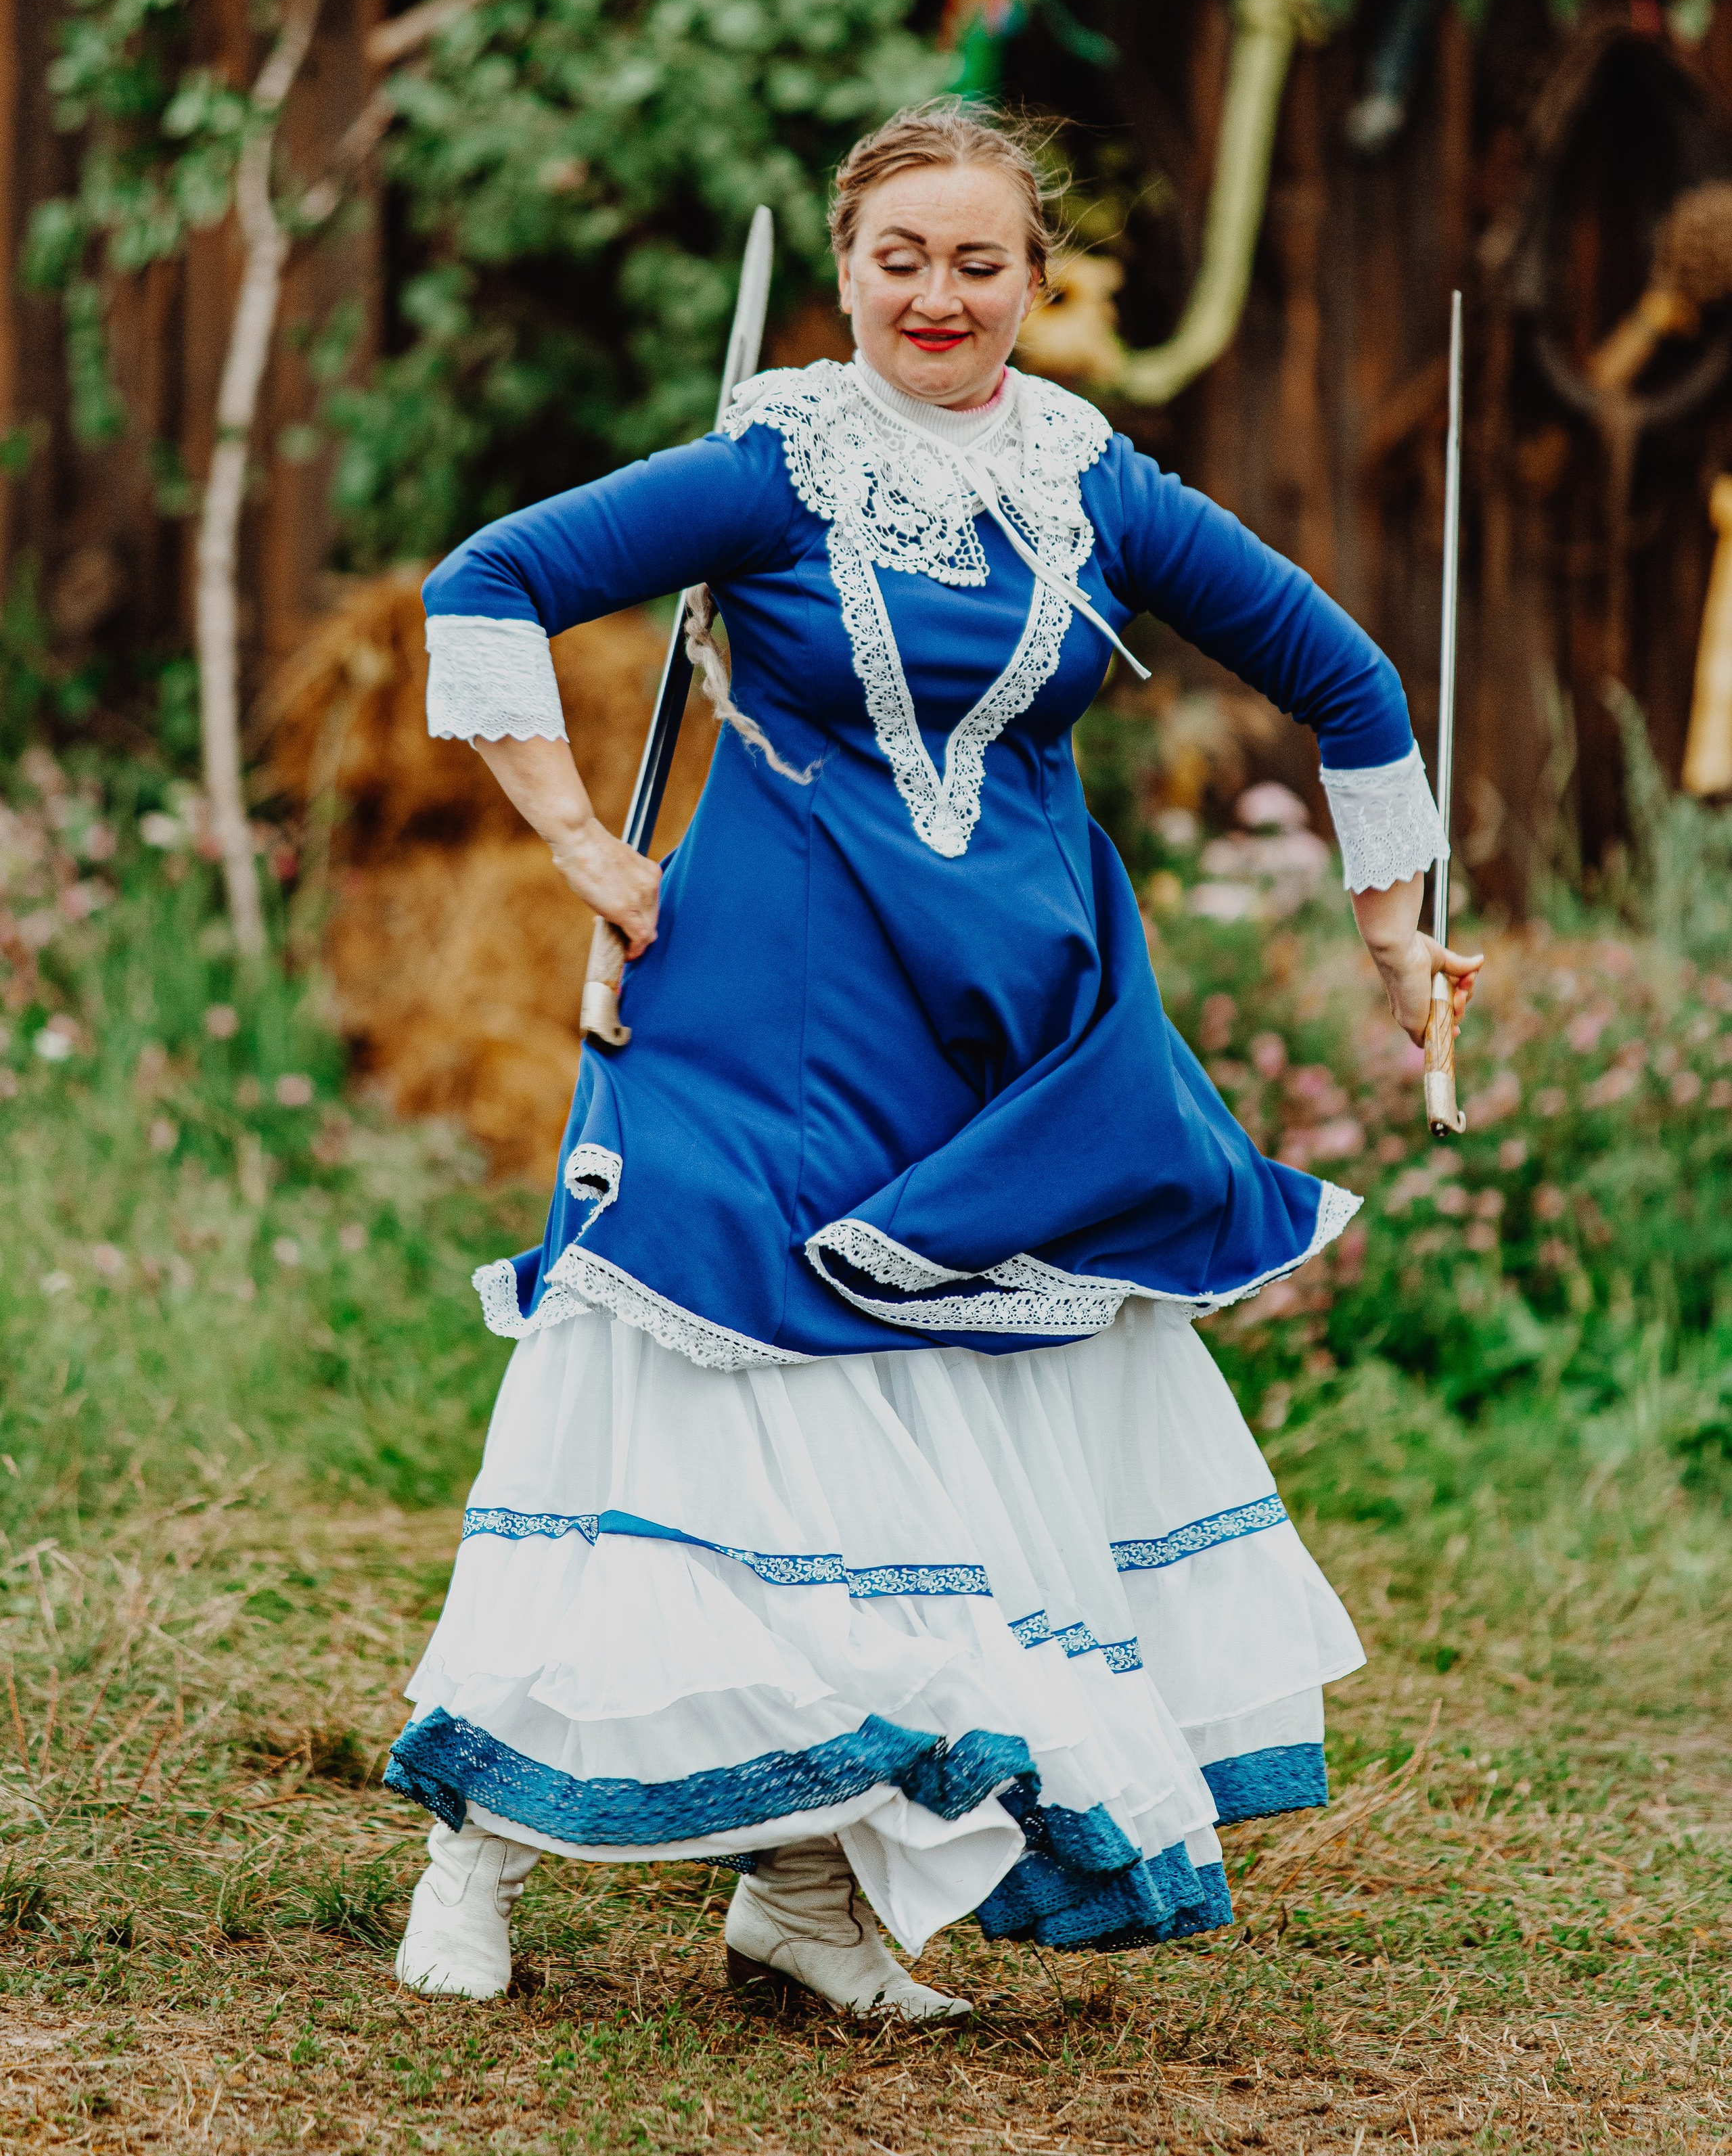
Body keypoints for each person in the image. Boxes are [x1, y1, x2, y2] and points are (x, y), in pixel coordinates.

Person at [386, 101, 1480, 2013]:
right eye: (902, 257)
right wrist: (582, 843)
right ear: (846, 273)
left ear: (1038, 282)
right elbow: (488, 579)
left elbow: (1352, 680)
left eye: (980, 260)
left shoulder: (1093, 484)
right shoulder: (777, 462)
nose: (938, 295)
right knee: (670, 1410)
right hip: (766, 1021)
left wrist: (1395, 938)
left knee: (923, 1466)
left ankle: (807, 1905)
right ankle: (468, 1848)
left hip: (1018, 1045)